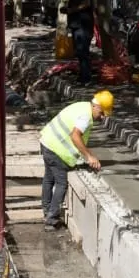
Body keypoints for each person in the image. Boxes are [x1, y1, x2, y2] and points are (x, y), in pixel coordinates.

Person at [38, 90, 114, 228]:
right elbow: (75, 136)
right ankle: (51, 219)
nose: (102, 117)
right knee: (61, 183)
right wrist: (89, 156)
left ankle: (47, 210)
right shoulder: (85, 116)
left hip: (47, 142)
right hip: (55, 150)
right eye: (102, 113)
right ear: (95, 106)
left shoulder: (82, 105)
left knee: (49, 178)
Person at [66, 0, 96, 85]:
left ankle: (86, 78)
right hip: (76, 25)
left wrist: (71, 10)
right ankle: (82, 76)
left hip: (83, 26)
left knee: (83, 51)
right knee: (79, 52)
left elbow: (86, 4)